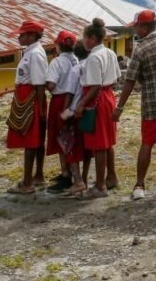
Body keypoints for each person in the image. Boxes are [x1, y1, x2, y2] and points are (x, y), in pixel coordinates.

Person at [112, 10, 156, 201]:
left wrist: (119, 107)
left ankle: (139, 185)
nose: (135, 30)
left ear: (144, 27)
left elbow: (130, 80)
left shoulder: (141, 48)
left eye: (136, 27)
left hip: (152, 105)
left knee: (147, 144)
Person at [75, 18, 120, 198]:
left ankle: (100, 185)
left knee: (99, 144)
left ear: (92, 38)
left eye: (84, 37)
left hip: (97, 99)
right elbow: (115, 78)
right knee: (107, 141)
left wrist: (80, 104)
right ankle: (111, 176)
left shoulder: (93, 57)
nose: (83, 41)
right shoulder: (110, 53)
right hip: (109, 97)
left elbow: (94, 86)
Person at [6, 21, 48, 194]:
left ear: (32, 36)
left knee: (31, 139)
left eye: (22, 34)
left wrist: (39, 107)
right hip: (27, 96)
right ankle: (37, 175)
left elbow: (39, 83)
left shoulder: (35, 54)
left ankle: (28, 182)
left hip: (31, 98)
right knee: (35, 138)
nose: (19, 37)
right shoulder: (30, 52)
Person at [45, 31, 79, 194]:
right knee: (70, 137)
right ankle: (68, 171)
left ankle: (66, 174)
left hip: (59, 100)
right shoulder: (76, 60)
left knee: (61, 138)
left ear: (58, 46)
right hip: (74, 99)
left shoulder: (57, 62)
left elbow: (51, 85)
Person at [57, 40, 91, 198]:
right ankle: (84, 178)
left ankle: (77, 181)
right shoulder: (91, 67)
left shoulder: (76, 69)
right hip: (88, 109)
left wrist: (65, 110)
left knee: (70, 146)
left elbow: (70, 93)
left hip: (74, 110)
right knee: (86, 148)